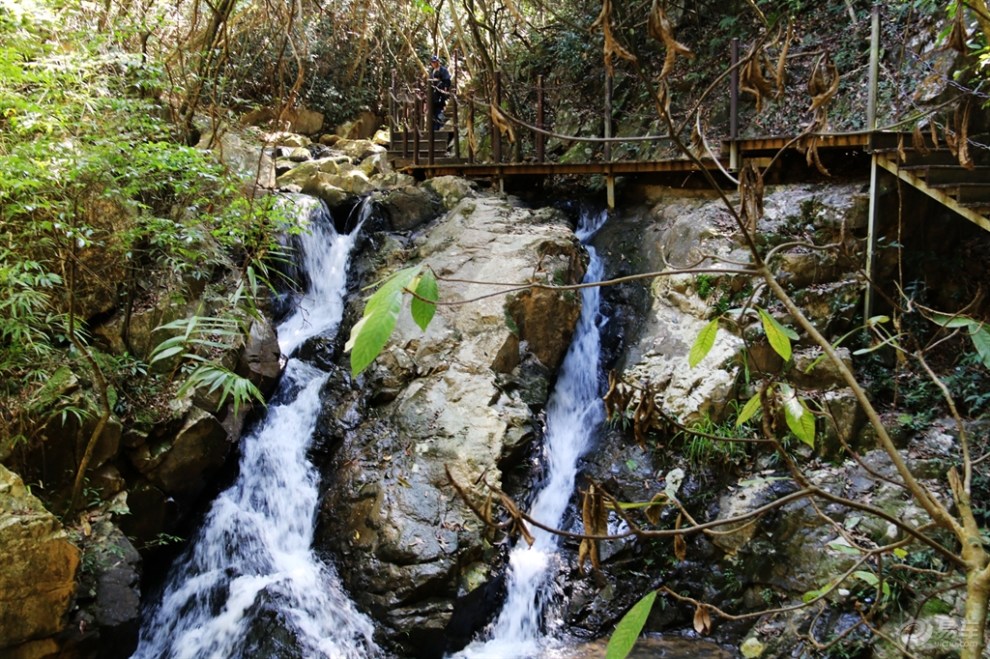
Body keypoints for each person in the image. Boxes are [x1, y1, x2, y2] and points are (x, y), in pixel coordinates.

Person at [428, 54, 451, 130]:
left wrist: (444, 89)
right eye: (432, 62)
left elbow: (447, 81)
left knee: (439, 110)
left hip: (440, 93)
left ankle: (440, 126)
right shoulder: (432, 71)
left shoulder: (443, 70)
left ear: (438, 62)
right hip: (433, 94)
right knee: (433, 111)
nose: (434, 64)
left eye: (435, 62)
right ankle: (434, 128)